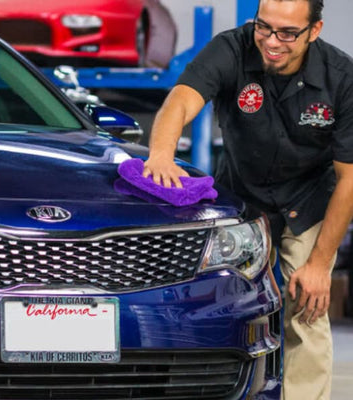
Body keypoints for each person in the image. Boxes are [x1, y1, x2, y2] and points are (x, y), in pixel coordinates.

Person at [143, 0, 353, 398]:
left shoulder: (342, 78)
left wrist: (320, 265)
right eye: (264, 28)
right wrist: (160, 155)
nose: (272, 42)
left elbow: (349, 180)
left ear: (315, 30)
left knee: (305, 310)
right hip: (243, 202)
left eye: (287, 33)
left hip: (307, 205)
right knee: (218, 304)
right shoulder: (232, 48)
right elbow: (181, 99)